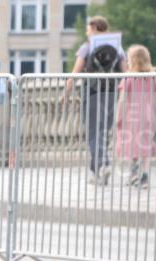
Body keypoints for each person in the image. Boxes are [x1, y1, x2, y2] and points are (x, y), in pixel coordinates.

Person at [63, 15, 127, 185]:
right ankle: (95, 171)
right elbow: (126, 72)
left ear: (94, 28)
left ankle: (103, 163)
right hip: (111, 92)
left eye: (88, 29)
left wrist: (66, 92)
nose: (86, 32)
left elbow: (75, 72)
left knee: (93, 132)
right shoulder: (118, 48)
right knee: (103, 131)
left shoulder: (87, 47)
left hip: (92, 92)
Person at [115, 45, 156, 189]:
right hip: (149, 117)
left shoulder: (129, 78)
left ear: (131, 61)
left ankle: (133, 174)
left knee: (131, 145)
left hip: (131, 117)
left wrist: (119, 117)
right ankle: (144, 177)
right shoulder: (153, 78)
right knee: (145, 147)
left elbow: (122, 100)